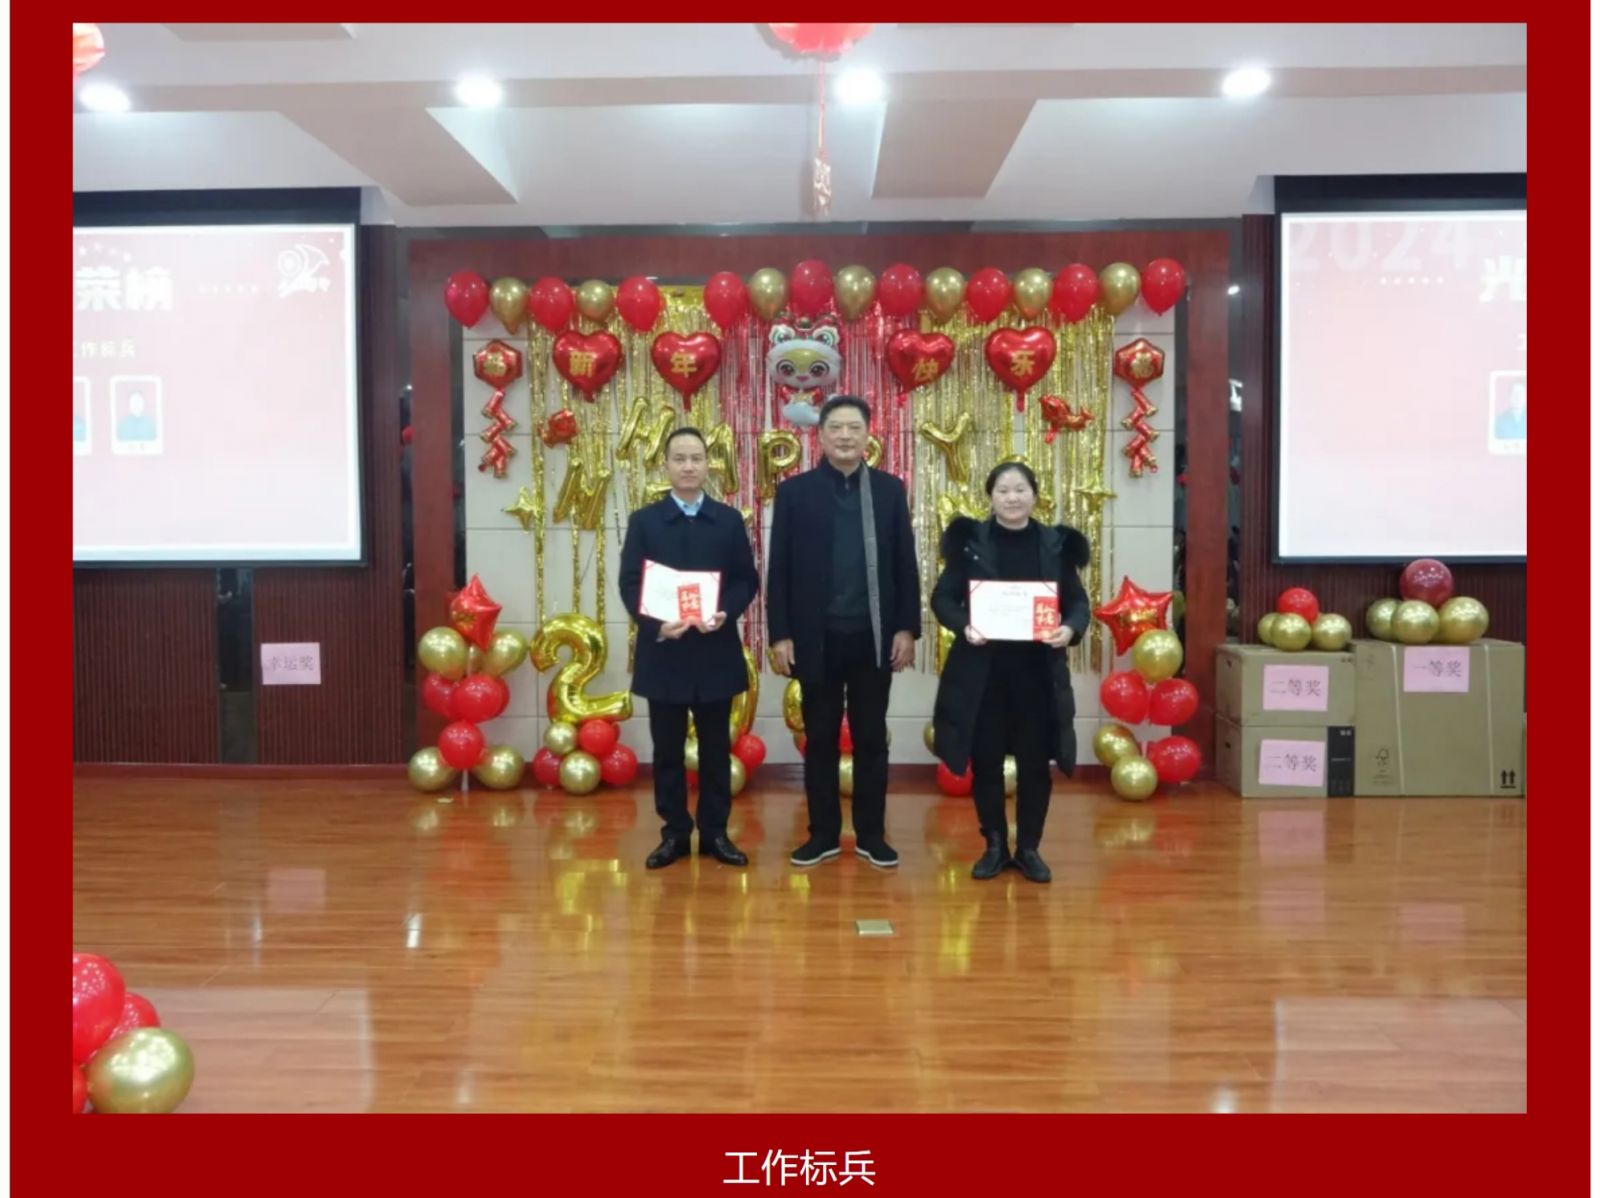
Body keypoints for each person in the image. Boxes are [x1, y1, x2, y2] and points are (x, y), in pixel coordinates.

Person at [767, 395, 920, 868]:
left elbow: (905, 564)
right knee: (820, 739)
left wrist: (906, 628)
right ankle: (823, 834)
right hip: (816, 638)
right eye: (836, 427)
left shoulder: (889, 491)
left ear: (868, 434)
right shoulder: (795, 492)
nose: (846, 436)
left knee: (872, 738)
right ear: (820, 435)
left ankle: (872, 834)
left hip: (874, 637)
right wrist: (780, 634)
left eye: (855, 427)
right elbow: (779, 569)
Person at [930, 462, 1091, 883]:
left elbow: (1078, 603)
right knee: (985, 764)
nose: (1012, 498)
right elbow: (942, 598)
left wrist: (1069, 629)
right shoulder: (971, 543)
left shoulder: (1055, 544)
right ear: (991, 497)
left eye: (1020, 489)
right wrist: (964, 625)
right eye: (1003, 490)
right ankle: (995, 846)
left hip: (1038, 678)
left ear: (1035, 495)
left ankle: (1030, 848)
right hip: (983, 679)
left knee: (1035, 766)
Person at [619, 428, 759, 870]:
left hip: (715, 651)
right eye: (679, 458)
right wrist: (657, 623)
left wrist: (725, 612)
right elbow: (630, 583)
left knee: (716, 751)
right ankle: (675, 834)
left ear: (707, 465)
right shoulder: (645, 521)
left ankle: (716, 833)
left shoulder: (728, 520)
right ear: (665, 465)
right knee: (667, 752)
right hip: (665, 652)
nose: (688, 466)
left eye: (696, 458)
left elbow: (745, 580)